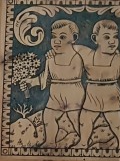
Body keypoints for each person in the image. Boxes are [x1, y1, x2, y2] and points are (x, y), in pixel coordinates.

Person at [74, 19, 120, 150]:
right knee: (85, 120)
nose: (112, 41)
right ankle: (83, 143)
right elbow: (69, 49)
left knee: (115, 123)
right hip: (92, 95)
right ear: (95, 38)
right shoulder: (86, 54)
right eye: (107, 37)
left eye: (115, 37)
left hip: (111, 96)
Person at [21, 19, 85, 148]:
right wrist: (31, 82)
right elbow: (46, 77)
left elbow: (67, 72)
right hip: (55, 95)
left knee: (76, 119)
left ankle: (83, 141)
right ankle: (50, 142)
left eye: (62, 37)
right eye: (54, 37)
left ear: (74, 38)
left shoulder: (76, 57)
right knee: (48, 116)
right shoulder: (51, 58)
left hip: (73, 94)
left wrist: (51, 60)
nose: (56, 41)